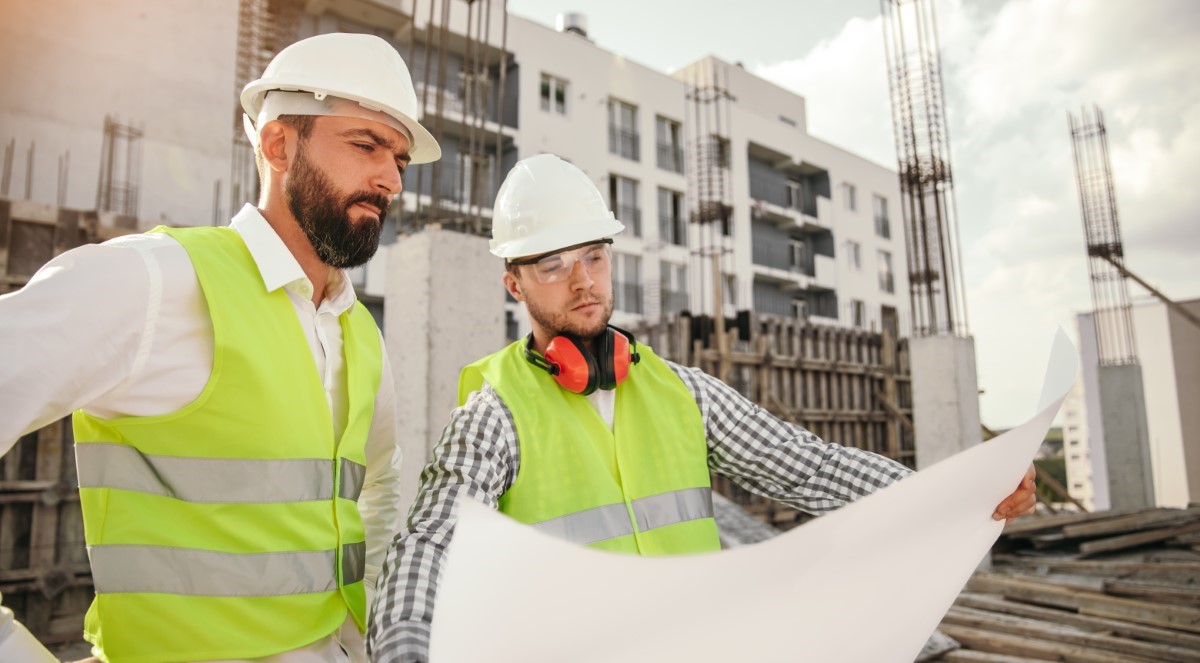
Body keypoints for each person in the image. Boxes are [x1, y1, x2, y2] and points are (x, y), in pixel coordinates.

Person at [367, 154, 1037, 661]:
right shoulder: (494, 415)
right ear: (512, 281)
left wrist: (964, 493)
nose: (583, 281)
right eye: (553, 265)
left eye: (595, 257)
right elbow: (427, 543)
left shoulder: (681, 391)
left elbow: (809, 469)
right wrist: (404, 650)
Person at [0, 32, 440, 662]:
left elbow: (378, 484)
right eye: (365, 144)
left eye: (398, 159)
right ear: (279, 144)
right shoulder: (156, 281)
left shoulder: (357, 331)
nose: (389, 179)